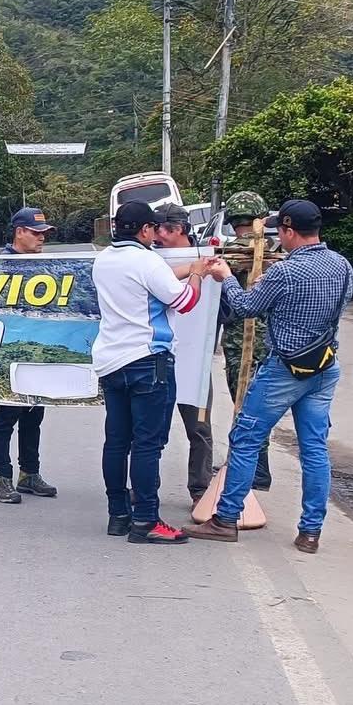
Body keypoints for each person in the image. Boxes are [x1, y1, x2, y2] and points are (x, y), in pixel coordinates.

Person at [200, 200, 353, 553]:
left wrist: (226, 278)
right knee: (314, 448)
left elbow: (244, 308)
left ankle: (225, 519)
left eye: (279, 232)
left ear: (287, 231)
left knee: (246, 439)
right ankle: (310, 531)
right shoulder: (342, 266)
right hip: (323, 366)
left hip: (283, 368)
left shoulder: (284, 273)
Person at [93, 201, 218, 545]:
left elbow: (150, 282)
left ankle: (118, 515)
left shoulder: (104, 260)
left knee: (117, 442)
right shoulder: (147, 261)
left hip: (112, 362)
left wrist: (191, 267)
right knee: (148, 445)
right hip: (148, 361)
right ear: (146, 229)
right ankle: (146, 519)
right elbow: (185, 302)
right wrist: (197, 274)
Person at [0, 207, 59, 504]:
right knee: (5, 417)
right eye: (36, 233)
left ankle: (29, 473)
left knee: (34, 413)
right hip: (7, 352)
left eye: (44, 234)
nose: (42, 238)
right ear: (19, 232)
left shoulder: (45, 267)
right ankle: (1, 477)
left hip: (36, 351)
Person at [153, 201, 215, 501]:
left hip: (195, 358)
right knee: (151, 431)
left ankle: (201, 491)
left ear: (177, 229)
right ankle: (145, 491)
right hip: (154, 359)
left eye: (160, 230)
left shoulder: (207, 258)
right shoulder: (147, 260)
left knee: (200, 429)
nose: (155, 236)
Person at [218, 191, 272, 491]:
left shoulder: (229, 256)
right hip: (271, 341)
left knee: (243, 405)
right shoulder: (274, 250)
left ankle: (253, 468)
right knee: (258, 404)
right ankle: (253, 465)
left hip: (240, 342)